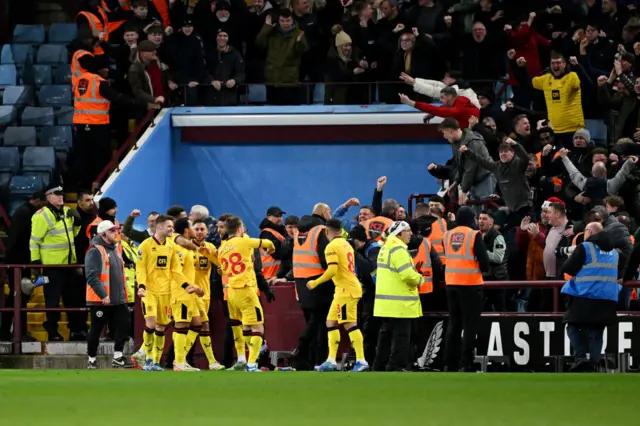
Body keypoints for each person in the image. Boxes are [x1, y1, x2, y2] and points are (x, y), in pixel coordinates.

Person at [307, 218, 368, 372]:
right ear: (340, 230)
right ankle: (331, 360)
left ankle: (361, 361)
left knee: (349, 324)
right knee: (331, 322)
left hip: (346, 290)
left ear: (327, 232)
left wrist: (315, 282)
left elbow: (332, 270)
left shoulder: (331, 247)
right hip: (344, 289)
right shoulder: (346, 244)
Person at [560, 222, 621, 372]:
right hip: (607, 298)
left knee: (572, 326)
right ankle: (593, 363)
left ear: (589, 232)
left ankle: (580, 358)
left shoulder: (586, 247)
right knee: (596, 331)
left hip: (585, 294)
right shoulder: (615, 253)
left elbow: (567, 268)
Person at [218, 216, 275, 372]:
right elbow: (268, 243)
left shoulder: (222, 248)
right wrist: (271, 249)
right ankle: (251, 364)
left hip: (231, 292)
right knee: (258, 327)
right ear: (239, 229)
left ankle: (246, 360)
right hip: (246, 288)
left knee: (244, 326)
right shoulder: (243, 241)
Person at [30, 184, 83, 342]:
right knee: (52, 301)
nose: (61, 196)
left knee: (72, 300)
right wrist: (36, 263)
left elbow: (71, 236)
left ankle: (75, 331)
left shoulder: (67, 211)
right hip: (52, 267)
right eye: (57, 194)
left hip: (69, 265)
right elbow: (34, 242)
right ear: (48, 197)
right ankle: (52, 330)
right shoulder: (41, 215)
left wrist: (78, 224)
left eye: (62, 194)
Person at [131, 215, 184, 371]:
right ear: (159, 227)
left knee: (161, 326)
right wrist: (141, 286)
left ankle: (155, 361)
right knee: (151, 323)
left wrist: (186, 285)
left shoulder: (172, 247)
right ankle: (147, 358)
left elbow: (176, 270)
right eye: (169, 227)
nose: (172, 230)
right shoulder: (145, 246)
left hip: (166, 292)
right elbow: (140, 268)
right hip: (149, 291)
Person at [443, 207, 491, 372]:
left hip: (451, 283)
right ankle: (465, 364)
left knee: (454, 324)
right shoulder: (473, 235)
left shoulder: (447, 234)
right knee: (469, 325)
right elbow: (485, 263)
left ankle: (449, 364)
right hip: (470, 284)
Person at [374, 221, 426, 372]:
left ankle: (379, 365)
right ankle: (396, 366)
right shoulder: (398, 250)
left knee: (386, 336)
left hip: (386, 303)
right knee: (401, 337)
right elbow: (407, 275)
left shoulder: (385, 248)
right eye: (408, 231)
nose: (411, 234)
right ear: (399, 234)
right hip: (400, 303)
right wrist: (420, 279)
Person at [85, 221, 133, 369]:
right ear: (103, 233)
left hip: (118, 298)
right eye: (113, 231)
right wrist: (103, 294)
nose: (116, 233)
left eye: (117, 230)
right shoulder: (95, 250)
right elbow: (92, 276)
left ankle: (118, 356)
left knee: (124, 325)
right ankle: (91, 358)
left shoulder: (116, 248)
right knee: (97, 328)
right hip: (101, 300)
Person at [171, 218, 207, 372]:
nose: (195, 230)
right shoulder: (178, 249)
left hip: (190, 292)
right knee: (181, 324)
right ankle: (178, 362)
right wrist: (188, 286)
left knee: (197, 324)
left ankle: (180, 359)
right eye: (192, 227)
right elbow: (176, 272)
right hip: (182, 292)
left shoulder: (187, 248)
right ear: (186, 230)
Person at [192, 218, 224, 370]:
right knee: (201, 325)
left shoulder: (210, 247)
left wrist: (220, 269)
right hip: (190, 293)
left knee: (196, 327)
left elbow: (221, 264)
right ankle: (211, 361)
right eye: (196, 229)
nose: (199, 232)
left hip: (205, 294)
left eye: (202, 229)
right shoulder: (186, 247)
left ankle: (177, 359)